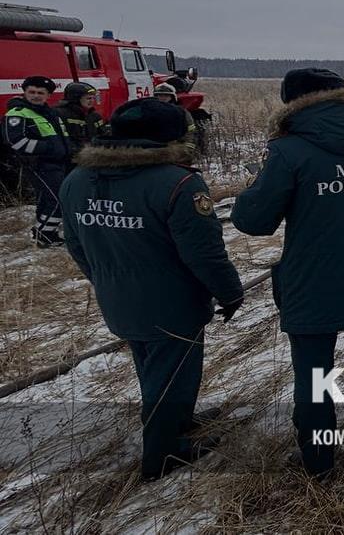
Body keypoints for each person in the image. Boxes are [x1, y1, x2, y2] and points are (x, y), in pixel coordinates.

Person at [231, 68, 344, 478]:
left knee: (314, 379)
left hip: (311, 285)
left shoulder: (287, 151)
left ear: (292, 103)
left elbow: (254, 221)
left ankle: (319, 465)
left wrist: (252, 190)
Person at [59, 98, 244, 482]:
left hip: (117, 298)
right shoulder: (178, 182)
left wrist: (106, 280)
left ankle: (175, 420)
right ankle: (164, 452)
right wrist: (229, 291)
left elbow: (75, 244)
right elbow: (204, 253)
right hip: (173, 303)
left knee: (153, 367)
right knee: (172, 372)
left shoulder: (77, 179)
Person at [4, 76, 71, 247]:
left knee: (47, 199)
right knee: (57, 199)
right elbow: (16, 141)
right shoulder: (17, 113)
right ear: (24, 93)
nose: (35, 96)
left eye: (40, 93)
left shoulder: (51, 113)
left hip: (57, 163)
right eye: (31, 92)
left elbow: (63, 137)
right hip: (38, 164)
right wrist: (48, 148)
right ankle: (45, 236)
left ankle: (45, 234)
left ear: (48, 95)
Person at [54, 81, 107, 167]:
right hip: (69, 160)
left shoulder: (94, 116)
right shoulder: (60, 114)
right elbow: (60, 140)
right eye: (88, 98)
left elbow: (103, 136)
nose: (92, 101)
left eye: (93, 98)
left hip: (92, 158)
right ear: (76, 99)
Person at [153, 84, 199, 160]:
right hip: (154, 147)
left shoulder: (181, 112)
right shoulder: (149, 111)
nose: (163, 98)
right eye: (160, 95)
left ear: (172, 97)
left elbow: (191, 132)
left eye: (166, 95)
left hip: (174, 147)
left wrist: (187, 149)